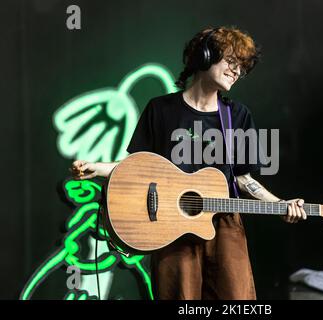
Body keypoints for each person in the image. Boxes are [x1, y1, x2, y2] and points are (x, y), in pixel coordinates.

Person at [71, 26, 307, 300]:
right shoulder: (160, 110)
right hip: (171, 226)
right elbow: (135, 165)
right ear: (206, 56)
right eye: (231, 61)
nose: (237, 71)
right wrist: (98, 168)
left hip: (225, 224)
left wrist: (279, 205)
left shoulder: (238, 115)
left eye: (242, 67)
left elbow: (244, 179)